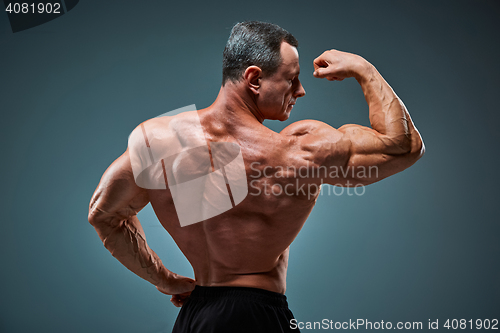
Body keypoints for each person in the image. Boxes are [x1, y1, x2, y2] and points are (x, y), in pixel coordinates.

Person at [88, 21, 424, 332]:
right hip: (256, 316)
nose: (300, 90)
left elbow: (104, 215)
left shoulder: (159, 140)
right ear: (254, 78)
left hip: (195, 317)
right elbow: (404, 146)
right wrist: (363, 69)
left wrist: (165, 280)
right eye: (290, 78)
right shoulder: (298, 150)